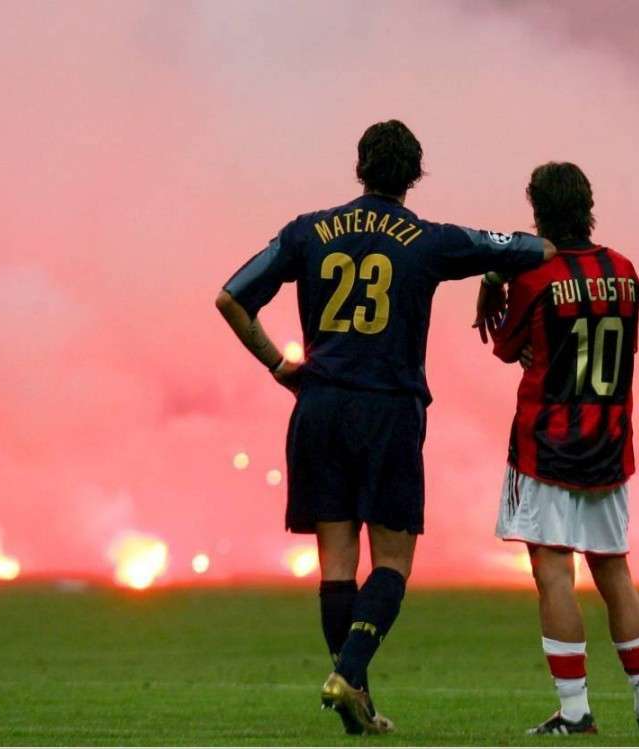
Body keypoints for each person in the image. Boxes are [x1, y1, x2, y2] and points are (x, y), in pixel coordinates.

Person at [215, 120, 555, 735]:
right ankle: (348, 676)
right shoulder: (430, 239)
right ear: (414, 175)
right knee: (393, 562)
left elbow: (232, 298)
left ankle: (359, 703)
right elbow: (533, 249)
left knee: (337, 565)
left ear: (360, 167)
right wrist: (490, 277)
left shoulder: (308, 231)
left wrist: (279, 366)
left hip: (319, 408)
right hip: (389, 411)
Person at [478, 162, 639, 735]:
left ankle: (575, 711)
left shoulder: (535, 276)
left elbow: (505, 345)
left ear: (537, 213)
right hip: (609, 442)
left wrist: (495, 284)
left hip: (547, 445)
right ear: (588, 206)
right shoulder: (625, 272)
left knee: (554, 573)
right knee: (614, 570)